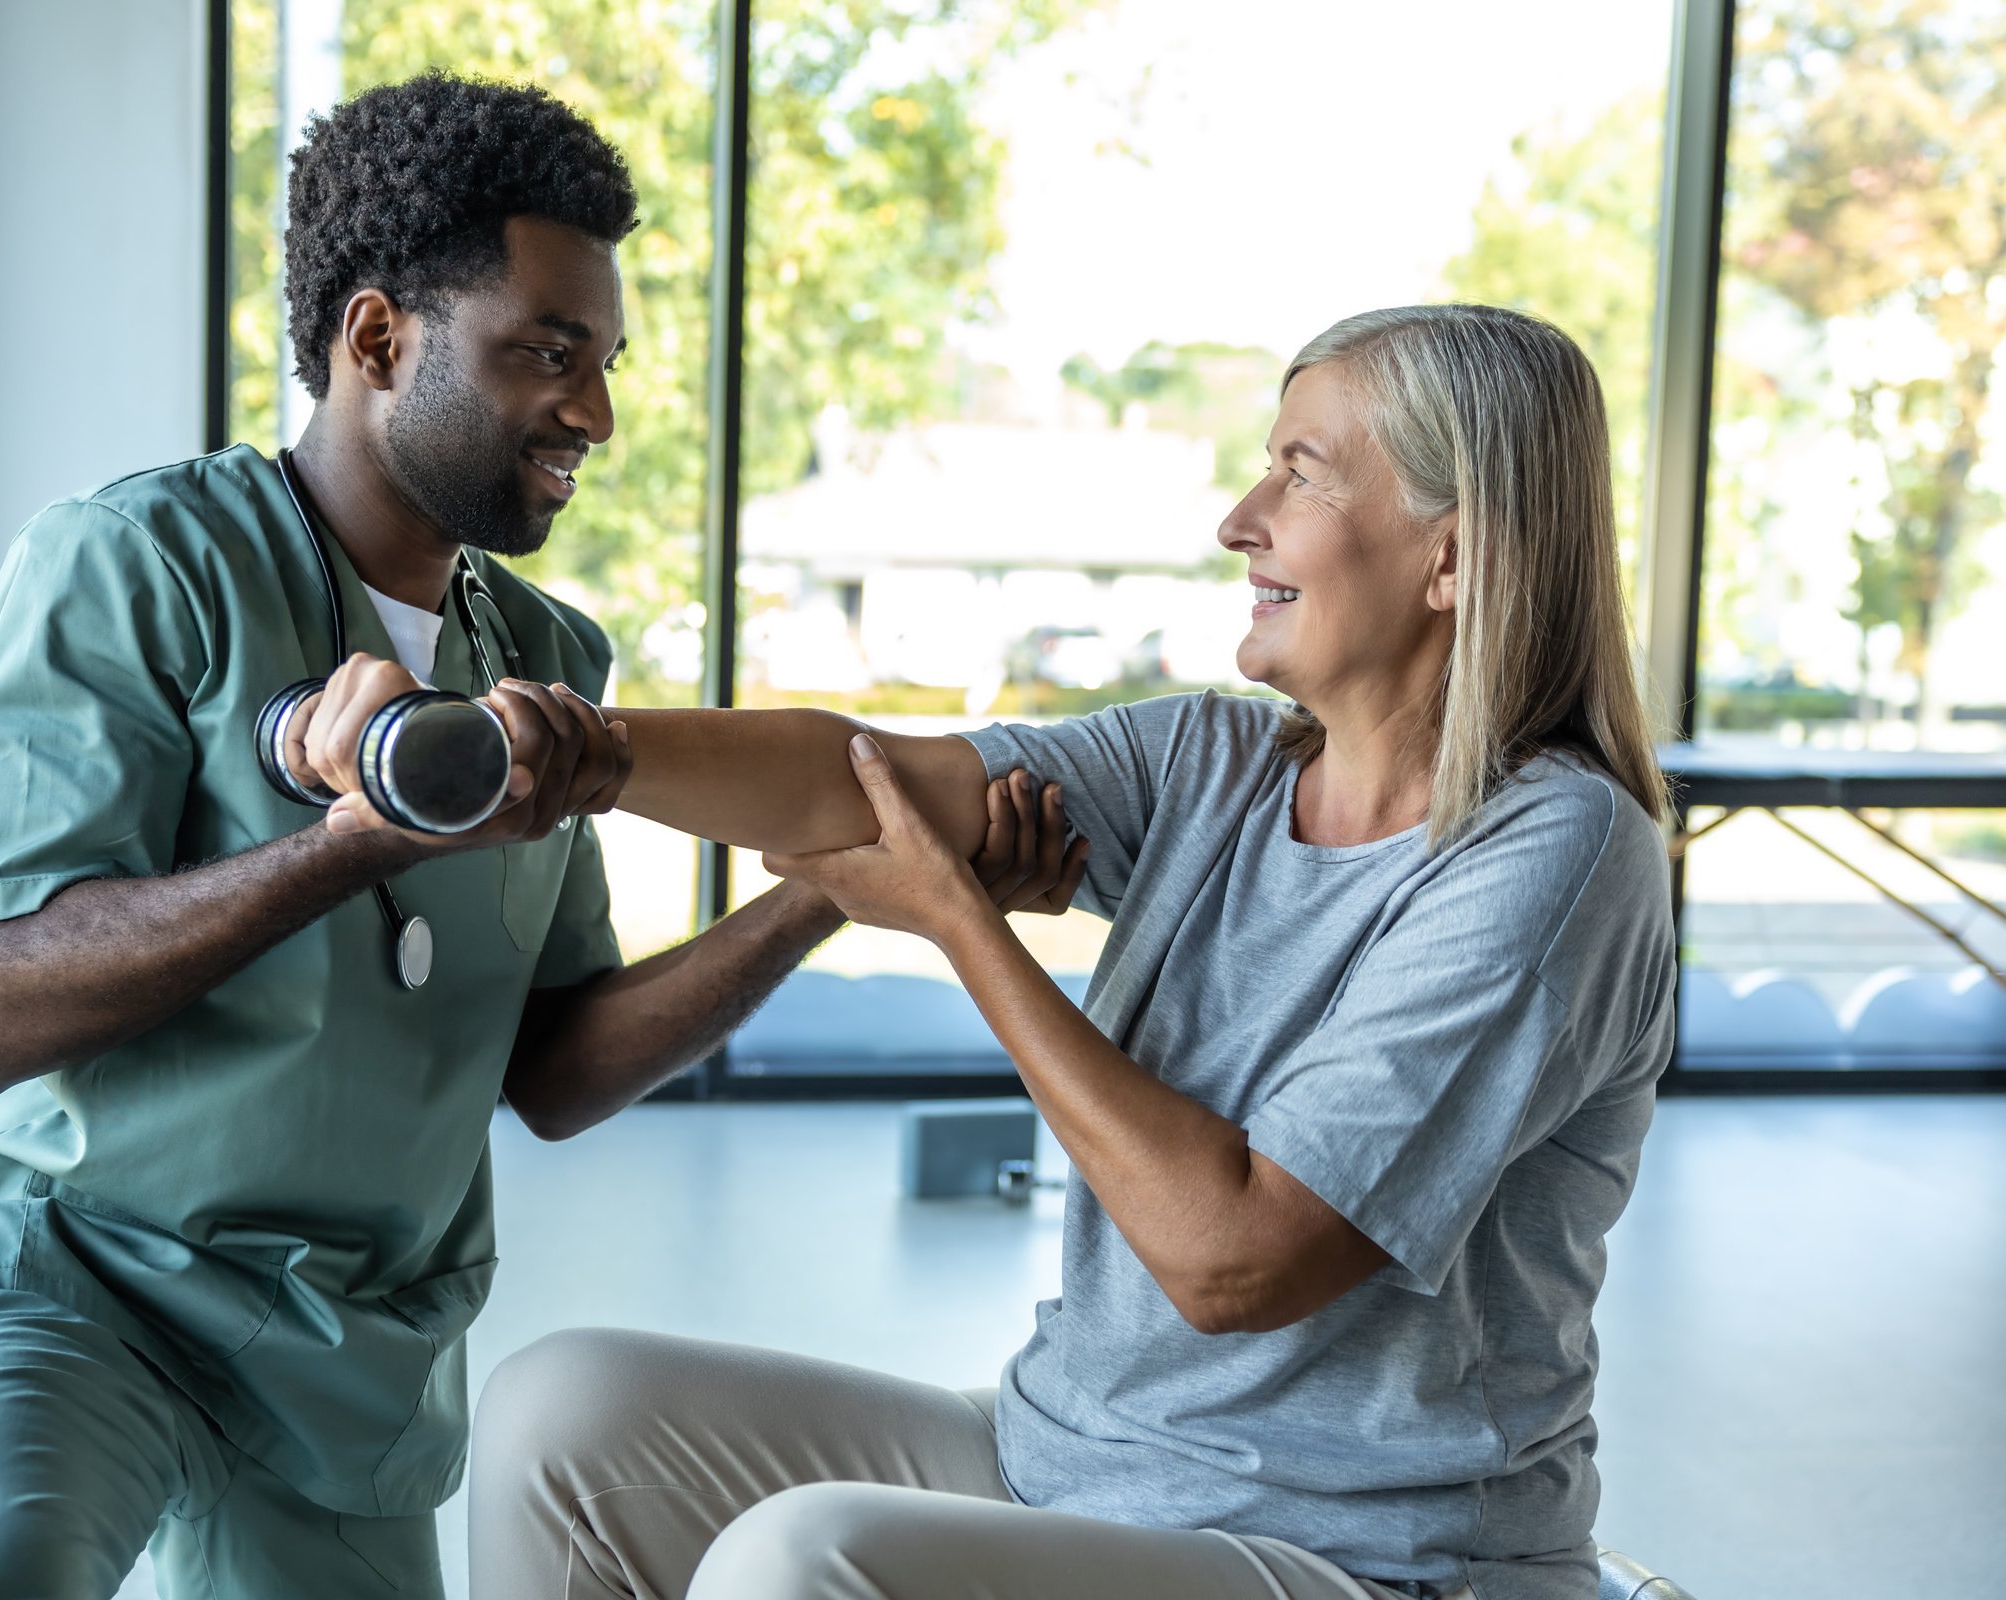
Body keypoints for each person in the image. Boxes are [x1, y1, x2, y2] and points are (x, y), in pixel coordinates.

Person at [0, 74, 1077, 1600]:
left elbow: (551, 1070)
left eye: (601, 363)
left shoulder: (548, 657)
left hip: (349, 1357)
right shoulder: (141, 564)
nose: (594, 413)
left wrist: (822, 899)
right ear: (378, 339)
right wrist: (353, 845)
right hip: (83, 1284)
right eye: (548, 353)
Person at [461, 305, 1678, 1600]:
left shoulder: (1553, 857)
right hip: (1073, 1459)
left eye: (1303, 473)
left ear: (1454, 555)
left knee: (798, 1567)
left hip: (1368, 1559)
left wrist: (960, 927)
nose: (1240, 518)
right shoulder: (1216, 763)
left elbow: (1239, 1257)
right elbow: (864, 779)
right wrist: (574, 755)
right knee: (561, 1417)